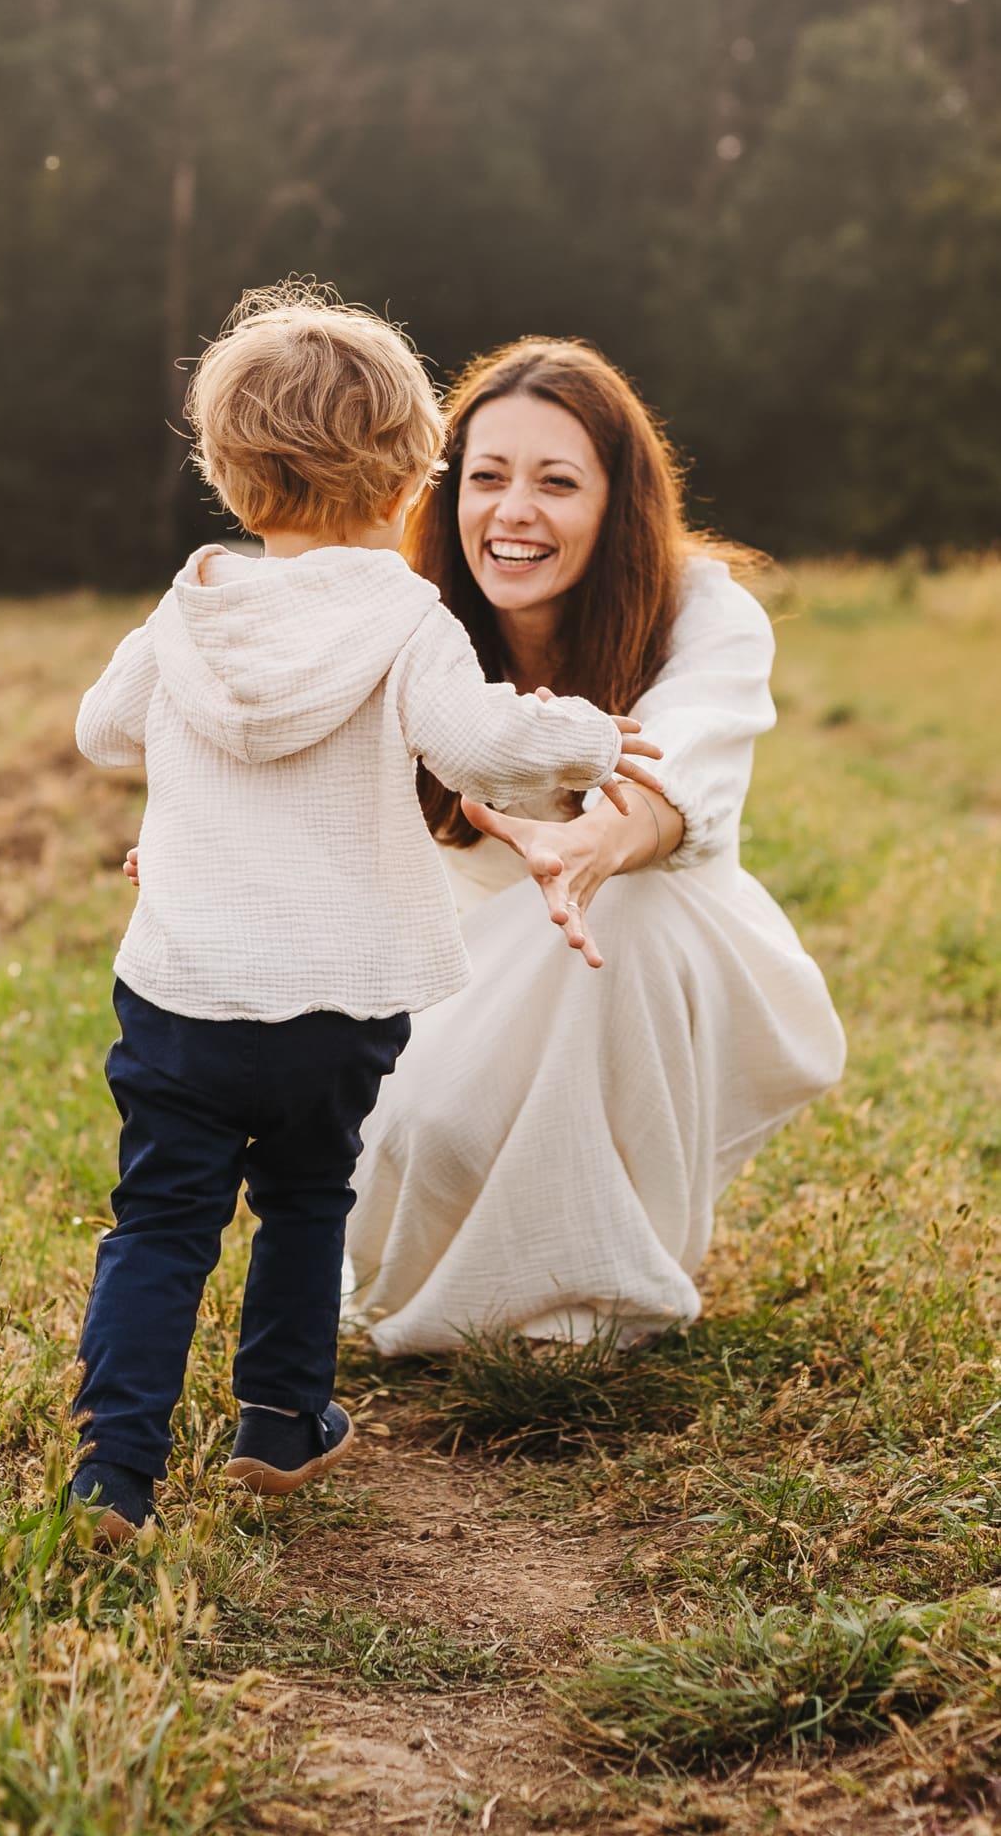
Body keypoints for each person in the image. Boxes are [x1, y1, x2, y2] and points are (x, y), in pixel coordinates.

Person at [70, 287, 660, 1542]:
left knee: (162, 1216)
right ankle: (280, 1421)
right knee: (305, 1192)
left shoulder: (193, 602)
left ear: (229, 472)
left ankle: (112, 1466)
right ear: (412, 477)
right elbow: (481, 747)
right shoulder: (403, 614)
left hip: (182, 988)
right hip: (336, 995)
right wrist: (590, 730)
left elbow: (101, 728)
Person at [343, 339, 847, 1354]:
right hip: (453, 951)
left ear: (618, 504)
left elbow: (681, 773)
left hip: (656, 943)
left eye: (556, 482)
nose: (512, 510)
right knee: (427, 1133)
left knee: (629, 910)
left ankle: (602, 1297)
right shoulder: (406, 623)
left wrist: (592, 847)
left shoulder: (703, 611)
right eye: (485, 477)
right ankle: (464, 1275)